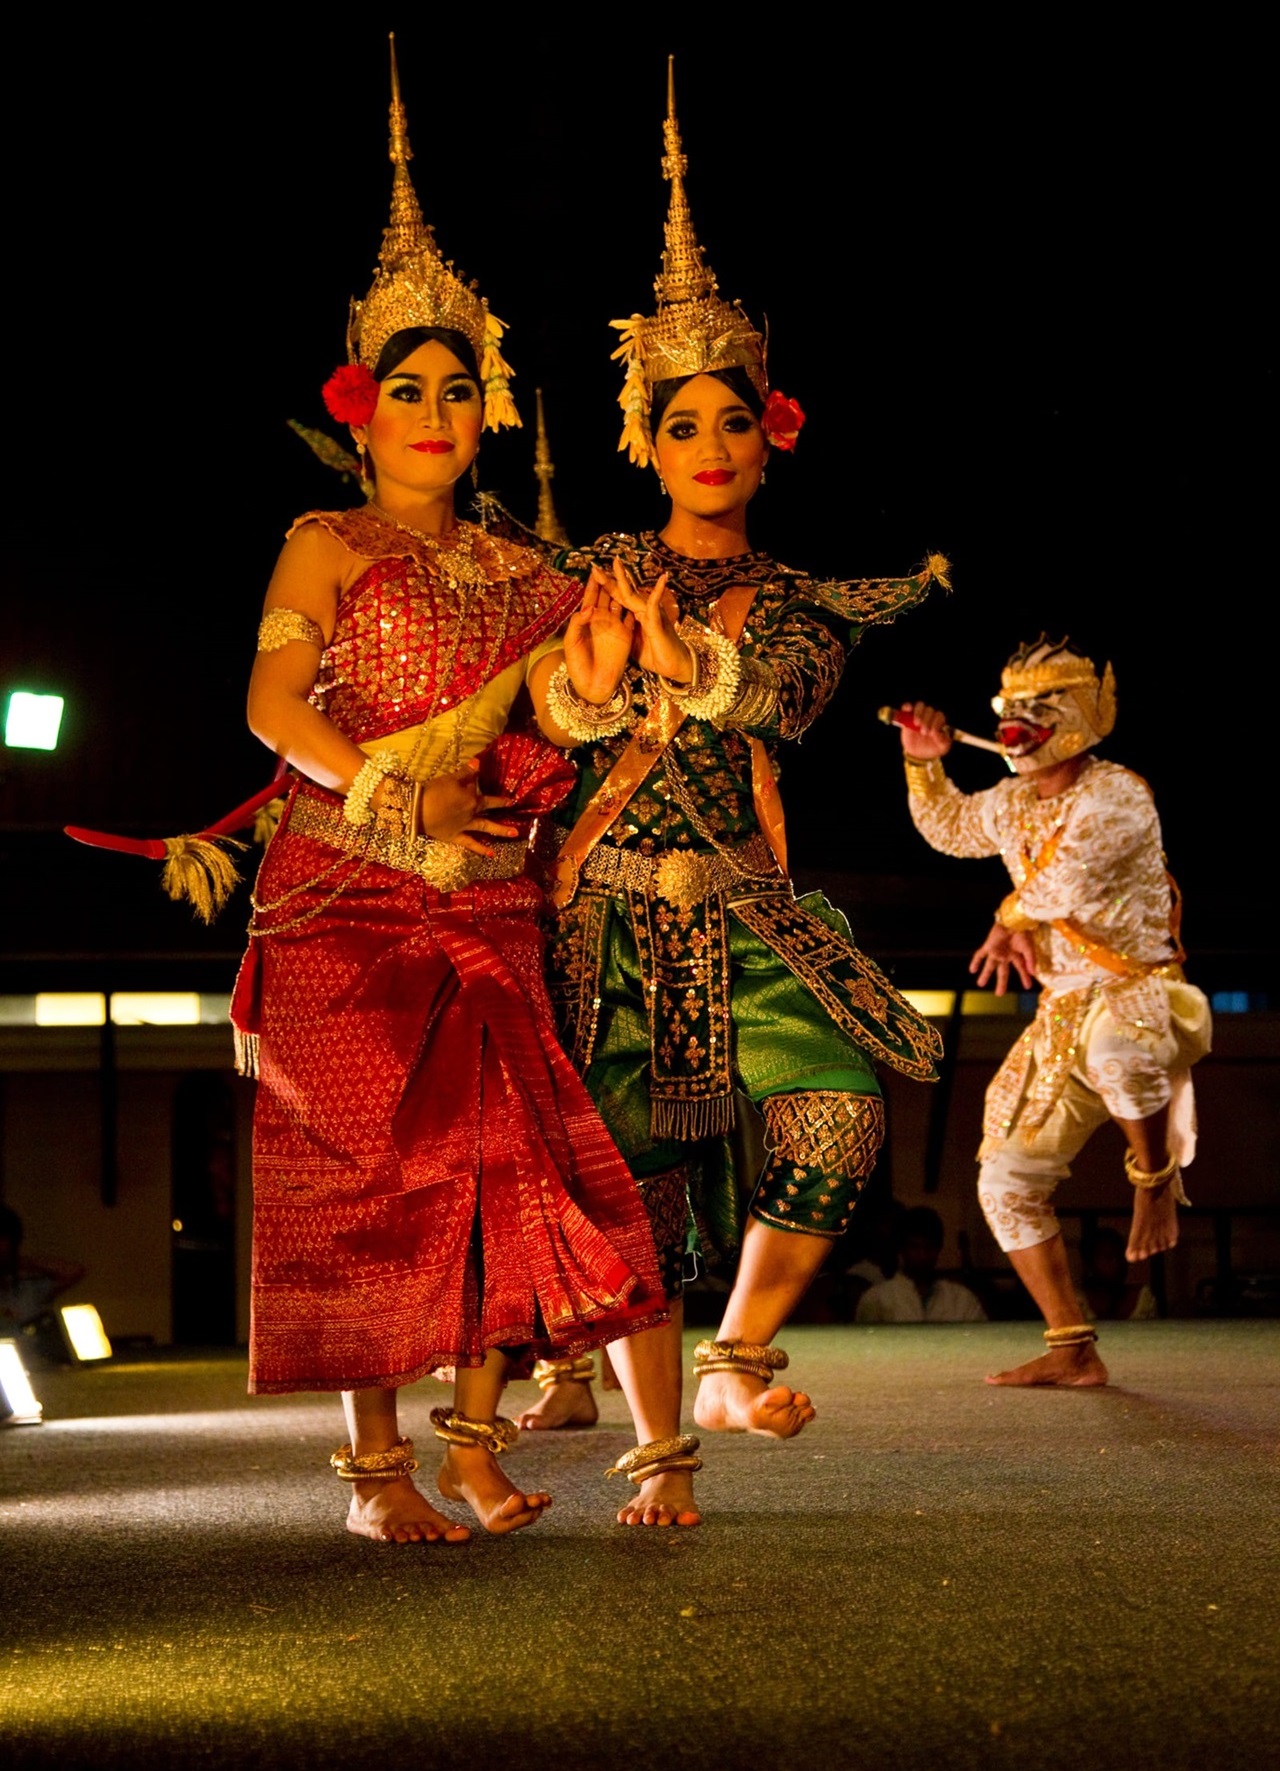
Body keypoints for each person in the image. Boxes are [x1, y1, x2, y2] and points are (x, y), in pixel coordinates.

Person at [237, 41, 666, 1545]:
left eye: (460, 386)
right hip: (342, 889)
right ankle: (374, 1474)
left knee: (499, 1164)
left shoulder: (529, 573)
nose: (437, 407)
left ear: (487, 412)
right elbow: (274, 705)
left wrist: (613, 669)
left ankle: (477, 1441)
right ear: (362, 407)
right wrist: (391, 797)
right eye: (408, 385)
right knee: (364, 1176)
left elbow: (569, 715)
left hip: (488, 893)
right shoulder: (325, 542)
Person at [515, 62, 946, 1525]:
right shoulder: (597, 571)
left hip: (747, 909)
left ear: (773, 436)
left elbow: (781, 700)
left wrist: (687, 655)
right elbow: (553, 719)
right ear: (648, 434)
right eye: (682, 423)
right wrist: (584, 675)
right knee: (628, 1185)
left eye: (735, 423)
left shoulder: (801, 601)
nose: (711, 447)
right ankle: (660, 1444)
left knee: (834, 1118)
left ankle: (739, 1348)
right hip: (611, 920)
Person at [895, 637, 1211, 1386]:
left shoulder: (1117, 794)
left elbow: (1064, 881)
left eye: (1037, 711)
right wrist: (922, 758)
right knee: (1003, 1180)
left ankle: (1154, 1181)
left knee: (1117, 1055)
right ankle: (1073, 1346)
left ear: (1074, 718)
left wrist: (1009, 916)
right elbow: (948, 829)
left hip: (1137, 989)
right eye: (1010, 712)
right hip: (1060, 1011)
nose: (1015, 726)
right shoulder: (1007, 802)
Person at [854, 1206, 987, 1323]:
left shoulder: (961, 1299)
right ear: (902, 1248)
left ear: (938, 1249)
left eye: (929, 1248)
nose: (922, 1256)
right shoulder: (877, 1299)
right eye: (914, 1247)